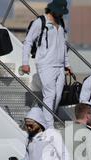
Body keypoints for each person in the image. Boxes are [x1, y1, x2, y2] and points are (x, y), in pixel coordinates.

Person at [21, 0, 72, 129]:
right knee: (50, 94)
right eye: (59, 12)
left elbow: (63, 45)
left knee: (58, 96)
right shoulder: (40, 22)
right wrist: (25, 63)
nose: (61, 15)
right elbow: (28, 42)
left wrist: (67, 64)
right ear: (52, 9)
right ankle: (49, 126)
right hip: (45, 65)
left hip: (60, 66)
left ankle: (43, 120)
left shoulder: (61, 22)